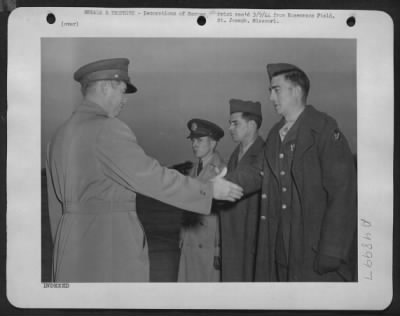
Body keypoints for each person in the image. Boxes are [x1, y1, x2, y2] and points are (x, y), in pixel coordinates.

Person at [46, 58, 243, 282]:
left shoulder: (59, 137)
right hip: (109, 250)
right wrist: (207, 190)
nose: (124, 101)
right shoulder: (107, 129)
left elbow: (56, 212)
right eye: (122, 91)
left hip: (68, 251)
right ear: (105, 87)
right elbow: (152, 177)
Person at [253, 63, 357, 281]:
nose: (271, 98)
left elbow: (343, 193)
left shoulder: (324, 128)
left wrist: (332, 249)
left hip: (314, 252)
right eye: (270, 91)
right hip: (281, 251)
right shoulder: (274, 134)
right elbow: (256, 173)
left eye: (276, 90)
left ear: (297, 91)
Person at [219, 99, 265, 281]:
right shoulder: (234, 155)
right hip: (233, 237)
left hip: (252, 238)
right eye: (229, 123)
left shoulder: (264, 152)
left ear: (252, 125)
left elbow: (241, 180)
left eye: (235, 123)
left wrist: (204, 187)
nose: (230, 128)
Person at [178, 119, 226, 282]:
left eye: (199, 140)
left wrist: (219, 250)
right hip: (190, 243)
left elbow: (224, 217)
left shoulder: (221, 171)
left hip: (208, 248)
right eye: (193, 140)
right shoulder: (192, 171)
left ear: (213, 143)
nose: (194, 144)